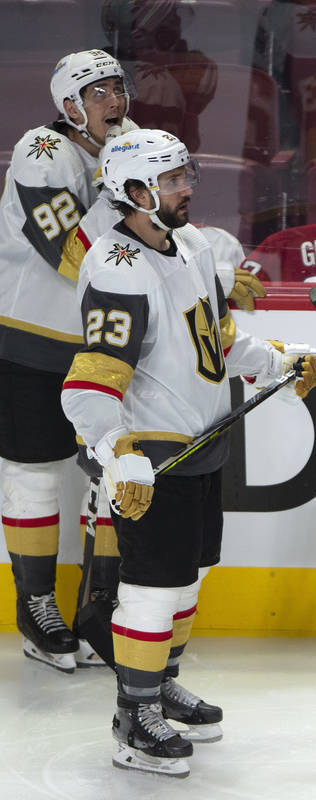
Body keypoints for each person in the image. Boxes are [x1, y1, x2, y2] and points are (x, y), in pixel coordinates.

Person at [60, 128, 316, 778]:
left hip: (203, 445)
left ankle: (162, 685)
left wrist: (278, 363)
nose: (188, 187)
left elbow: (218, 339)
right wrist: (117, 453)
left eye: (186, 175)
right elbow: (89, 384)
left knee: (189, 578)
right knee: (153, 590)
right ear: (133, 192)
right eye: (173, 178)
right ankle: (135, 714)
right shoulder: (117, 269)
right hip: (152, 456)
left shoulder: (196, 247)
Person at [0, 49, 139, 673]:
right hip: (26, 338)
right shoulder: (39, 153)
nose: (115, 100)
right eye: (98, 91)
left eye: (117, 87)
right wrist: (120, 183)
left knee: (111, 475)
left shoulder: (133, 144)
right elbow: (75, 259)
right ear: (69, 106)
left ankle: (99, 609)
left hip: (104, 343)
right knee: (33, 474)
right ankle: (35, 606)